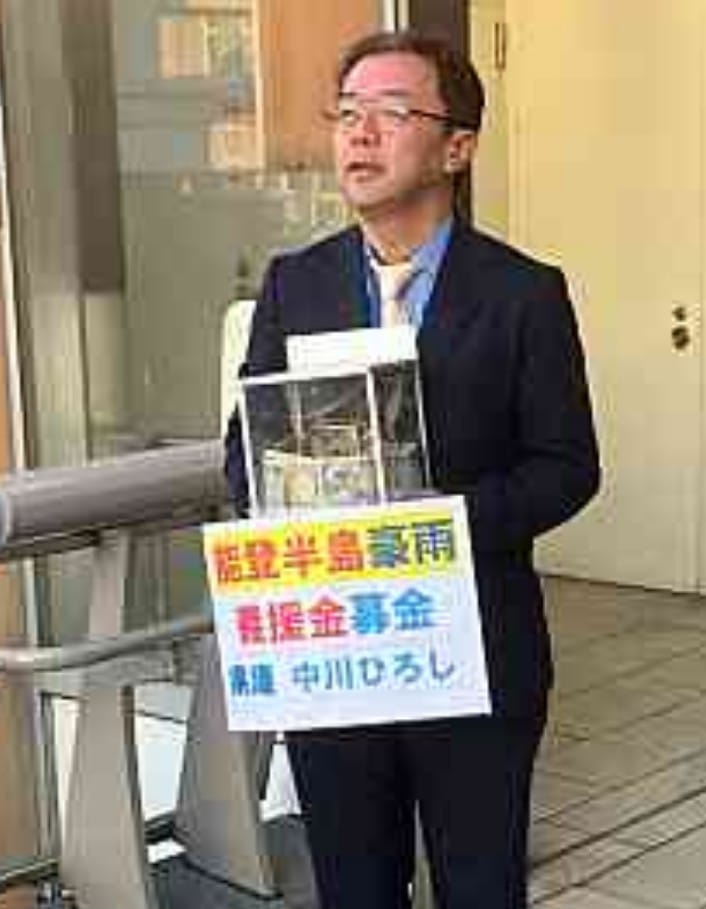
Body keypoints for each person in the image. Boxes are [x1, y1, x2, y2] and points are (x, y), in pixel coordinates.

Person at [225, 29, 600, 909]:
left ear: (457, 147)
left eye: (392, 113)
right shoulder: (295, 284)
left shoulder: (523, 293)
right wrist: (280, 501)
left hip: (473, 650)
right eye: (346, 113)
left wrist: (437, 525)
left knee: (480, 886)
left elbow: (567, 467)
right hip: (336, 651)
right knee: (354, 887)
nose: (359, 134)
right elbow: (246, 447)